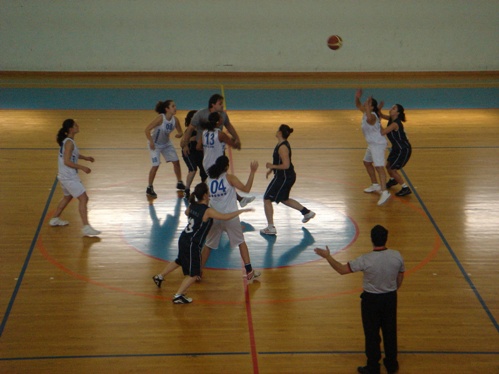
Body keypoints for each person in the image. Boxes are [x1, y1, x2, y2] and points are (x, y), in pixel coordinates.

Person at [314, 225, 404, 374]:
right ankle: (391, 364)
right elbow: (400, 276)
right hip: (390, 298)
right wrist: (392, 290)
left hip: (371, 301)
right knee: (390, 331)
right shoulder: (397, 256)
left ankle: (373, 366)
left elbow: (342, 270)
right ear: (386, 238)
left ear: (372, 240)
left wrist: (328, 256)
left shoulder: (365, 259)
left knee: (371, 334)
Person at [152, 183, 253, 304]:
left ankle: (160, 276)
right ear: (205, 195)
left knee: (180, 260)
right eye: (208, 192)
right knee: (194, 274)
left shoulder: (193, 205)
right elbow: (225, 217)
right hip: (192, 243)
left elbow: (186, 212)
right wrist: (240, 211)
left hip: (184, 238)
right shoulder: (207, 211)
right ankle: (178, 295)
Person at [181, 94, 254, 207]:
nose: (222, 106)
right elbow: (190, 129)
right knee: (216, 181)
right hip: (209, 156)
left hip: (211, 156)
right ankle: (201, 202)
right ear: (213, 105)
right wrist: (185, 144)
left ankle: (236, 200)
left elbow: (229, 126)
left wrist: (236, 138)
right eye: (220, 104)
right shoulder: (202, 115)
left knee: (214, 181)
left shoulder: (209, 129)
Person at [200, 156, 261, 282]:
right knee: (240, 242)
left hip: (215, 217)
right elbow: (246, 189)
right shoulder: (229, 178)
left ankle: (197, 272)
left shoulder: (208, 180)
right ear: (226, 167)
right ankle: (249, 271)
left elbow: (205, 199)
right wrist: (252, 172)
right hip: (231, 217)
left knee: (208, 245)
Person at [260, 124, 315, 235]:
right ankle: (306, 212)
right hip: (285, 176)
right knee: (284, 199)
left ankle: (270, 227)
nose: (276, 131)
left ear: (280, 133)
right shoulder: (280, 144)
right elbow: (279, 162)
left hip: (284, 177)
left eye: (277, 130)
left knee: (267, 199)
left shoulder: (282, 147)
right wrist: (271, 169)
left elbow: (286, 165)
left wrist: (272, 166)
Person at [50, 119, 101, 237]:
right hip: (69, 177)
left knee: (67, 197)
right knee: (84, 199)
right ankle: (86, 227)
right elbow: (67, 161)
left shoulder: (69, 141)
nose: (78, 126)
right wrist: (83, 167)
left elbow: (74, 154)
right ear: (71, 129)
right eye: (75, 125)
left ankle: (55, 219)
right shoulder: (69, 143)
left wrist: (85, 158)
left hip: (64, 176)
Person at [355, 89, 391, 206]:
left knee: (379, 167)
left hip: (378, 145)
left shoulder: (373, 117)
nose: (365, 104)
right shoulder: (366, 112)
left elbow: (370, 120)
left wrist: (368, 106)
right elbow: (358, 105)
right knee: (366, 162)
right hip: (372, 144)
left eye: (368, 104)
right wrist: (357, 97)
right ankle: (375, 185)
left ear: (372, 108)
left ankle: (384, 191)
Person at [145, 99, 185, 199]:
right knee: (156, 165)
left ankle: (179, 182)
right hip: (155, 144)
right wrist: (151, 141)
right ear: (167, 109)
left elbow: (180, 131)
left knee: (176, 161)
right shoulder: (160, 119)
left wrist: (179, 134)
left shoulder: (175, 120)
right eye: (173, 106)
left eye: (175, 106)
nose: (175, 108)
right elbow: (147, 130)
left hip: (166, 144)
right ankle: (149, 187)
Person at [379, 104, 412, 196]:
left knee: (392, 169)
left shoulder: (395, 124)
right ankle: (394, 180)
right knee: (388, 165)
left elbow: (383, 132)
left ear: (397, 113)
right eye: (392, 107)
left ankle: (405, 187)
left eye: (393, 108)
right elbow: (381, 115)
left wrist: (377, 123)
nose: (391, 109)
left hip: (403, 149)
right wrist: (379, 109)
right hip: (396, 148)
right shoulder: (391, 119)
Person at [181, 110, 207, 200]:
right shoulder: (189, 130)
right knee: (193, 169)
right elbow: (182, 143)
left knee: (204, 171)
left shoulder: (202, 130)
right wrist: (186, 144)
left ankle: (204, 189)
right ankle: (187, 189)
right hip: (189, 153)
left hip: (199, 152)